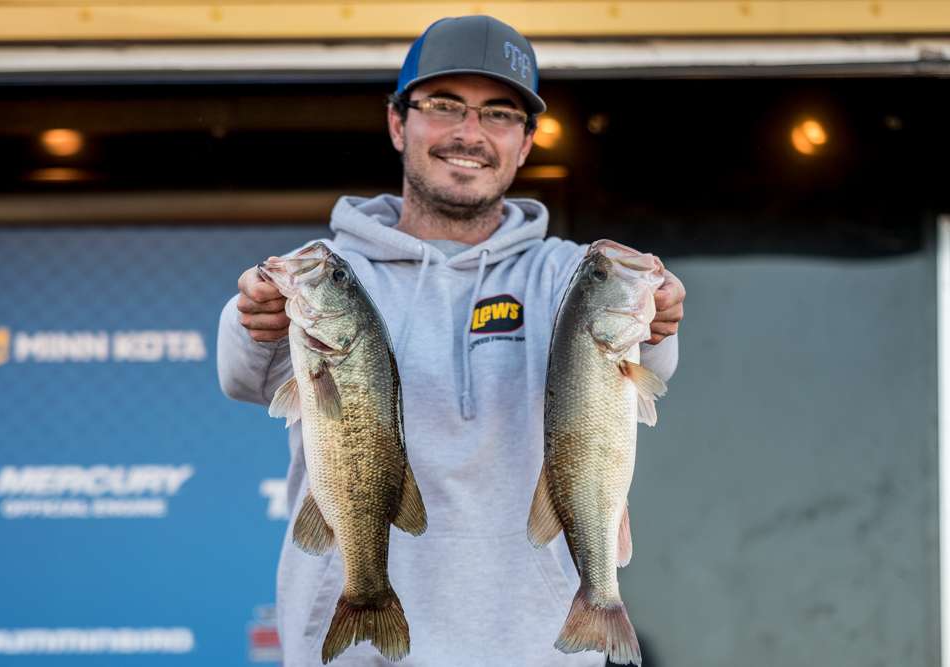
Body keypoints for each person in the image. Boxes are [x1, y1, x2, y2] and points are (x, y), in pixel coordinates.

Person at [218, 14, 685, 666]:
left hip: (539, 650)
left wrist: (658, 308)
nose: (470, 133)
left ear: (525, 144)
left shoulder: (570, 276)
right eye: (445, 106)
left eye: (499, 114)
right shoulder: (324, 273)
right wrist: (254, 313)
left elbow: (642, 352)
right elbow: (242, 371)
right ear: (397, 121)